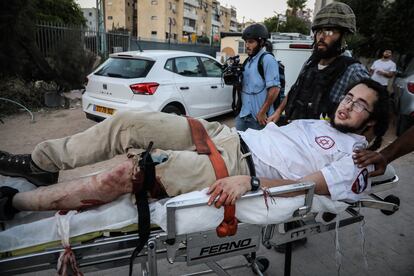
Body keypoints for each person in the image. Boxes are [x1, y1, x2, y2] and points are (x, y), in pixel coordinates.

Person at [0, 78, 389, 220]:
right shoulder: (319, 123)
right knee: (127, 121)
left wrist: (250, 183)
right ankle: (39, 163)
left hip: (237, 166)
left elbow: (304, 187)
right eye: (349, 97)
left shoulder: (356, 159)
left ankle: (13, 205)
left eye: (359, 105)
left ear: (372, 123)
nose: (347, 104)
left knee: (133, 173)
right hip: (226, 136)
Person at [267, 2, 370, 124]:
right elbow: (295, 89)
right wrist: (278, 111)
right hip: (296, 133)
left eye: (329, 31)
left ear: (344, 37)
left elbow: (370, 116)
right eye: (319, 31)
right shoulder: (310, 63)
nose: (321, 37)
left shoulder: (353, 71)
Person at [236, 23, 281, 131]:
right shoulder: (247, 62)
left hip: (260, 119)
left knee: (258, 148)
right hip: (243, 116)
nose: (247, 45)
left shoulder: (267, 60)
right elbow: (245, 88)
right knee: (239, 146)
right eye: (246, 42)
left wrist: (262, 112)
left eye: (251, 42)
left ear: (261, 42)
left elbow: (275, 89)